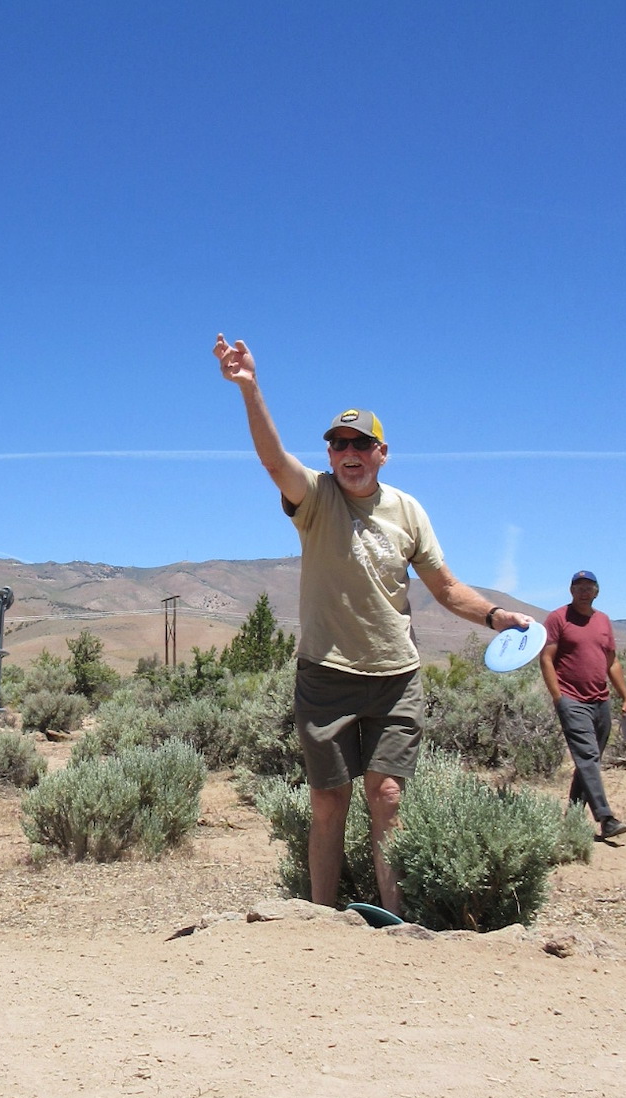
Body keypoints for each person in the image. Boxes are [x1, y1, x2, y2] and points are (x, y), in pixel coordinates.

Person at [214, 333, 531, 915]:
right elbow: (272, 458)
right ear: (331, 455)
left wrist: (495, 615)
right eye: (338, 444)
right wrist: (249, 387)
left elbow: (446, 588)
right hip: (326, 673)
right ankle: (321, 918)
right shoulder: (314, 498)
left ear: (383, 452)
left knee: (386, 796)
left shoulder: (408, 510)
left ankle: (396, 920)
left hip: (395, 674)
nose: (349, 452)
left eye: (362, 443)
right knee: (329, 801)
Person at [539, 570, 626, 840]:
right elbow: (546, 659)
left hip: (600, 700)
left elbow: (612, 662)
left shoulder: (603, 621)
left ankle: (572, 819)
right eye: (578, 586)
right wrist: (558, 697)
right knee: (589, 757)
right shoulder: (558, 618)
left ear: (597, 591)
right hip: (572, 699)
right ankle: (605, 818)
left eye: (589, 586)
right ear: (571, 590)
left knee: (588, 761)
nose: (583, 590)